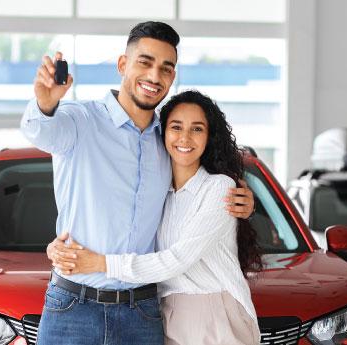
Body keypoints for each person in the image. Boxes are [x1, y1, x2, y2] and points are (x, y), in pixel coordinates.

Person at [20, 21, 255, 345]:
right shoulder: (81, 121)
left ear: (172, 77)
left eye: (166, 68)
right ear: (122, 64)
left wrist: (245, 200)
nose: (155, 76)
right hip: (74, 307)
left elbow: (194, 195)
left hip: (142, 313)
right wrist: (45, 104)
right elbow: (40, 131)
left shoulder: (168, 139)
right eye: (145, 62)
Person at [54, 90, 262, 345]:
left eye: (197, 129)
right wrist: (60, 244)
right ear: (163, 133)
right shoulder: (158, 192)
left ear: (209, 137)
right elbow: (118, 226)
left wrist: (99, 263)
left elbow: (177, 260)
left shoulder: (219, 188)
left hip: (215, 313)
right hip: (162, 313)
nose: (185, 137)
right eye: (176, 127)